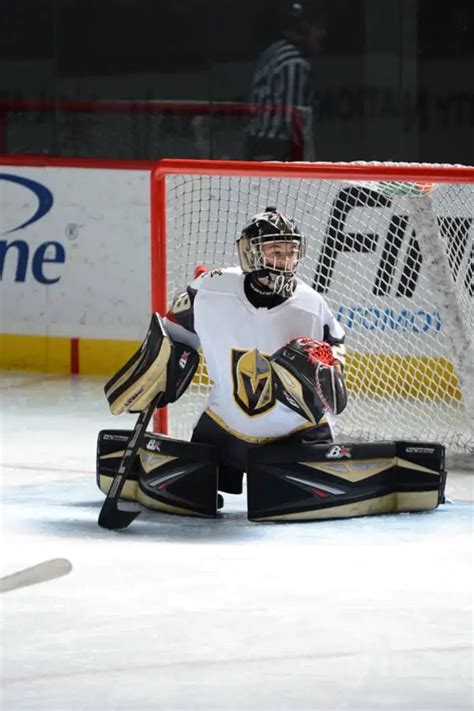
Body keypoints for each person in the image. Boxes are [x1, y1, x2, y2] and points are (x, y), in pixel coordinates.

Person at [162, 207, 346, 495]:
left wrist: (329, 371)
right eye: (275, 251)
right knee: (196, 495)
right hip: (222, 428)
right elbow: (174, 327)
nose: (285, 260)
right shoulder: (212, 288)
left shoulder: (311, 304)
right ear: (252, 252)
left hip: (295, 434)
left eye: (291, 252)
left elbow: (335, 350)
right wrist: (164, 366)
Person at [244, 1, 327, 161]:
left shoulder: (273, 50)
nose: (324, 34)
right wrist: (307, 161)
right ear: (303, 29)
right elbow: (293, 123)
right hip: (277, 148)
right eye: (319, 27)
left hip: (257, 142)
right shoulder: (294, 63)